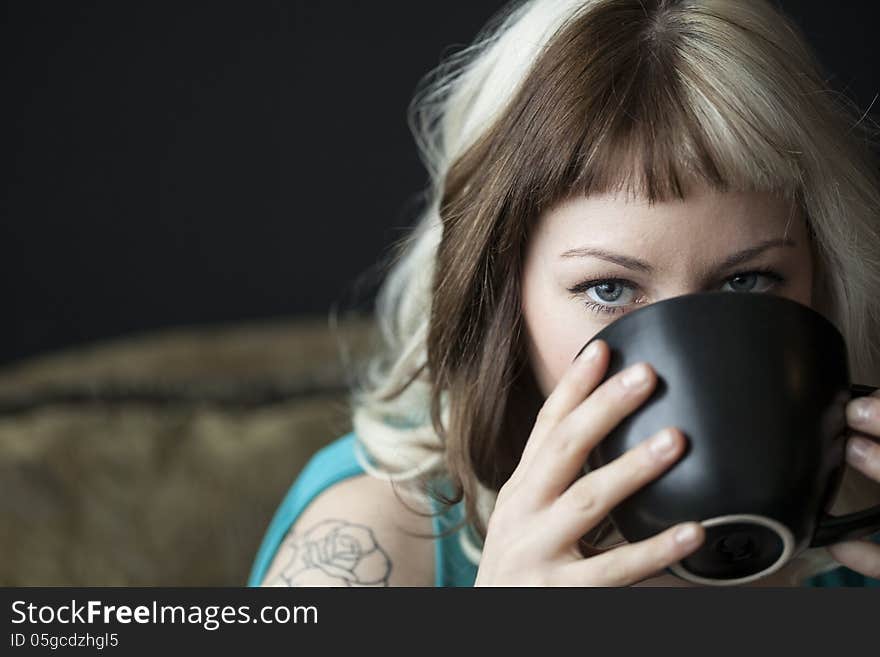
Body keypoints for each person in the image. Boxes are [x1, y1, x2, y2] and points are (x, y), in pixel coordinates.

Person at [249, 0, 880, 587]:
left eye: (747, 281)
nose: (684, 363)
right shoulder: (375, 538)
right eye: (609, 288)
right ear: (503, 295)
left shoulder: (860, 534)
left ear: (824, 275)